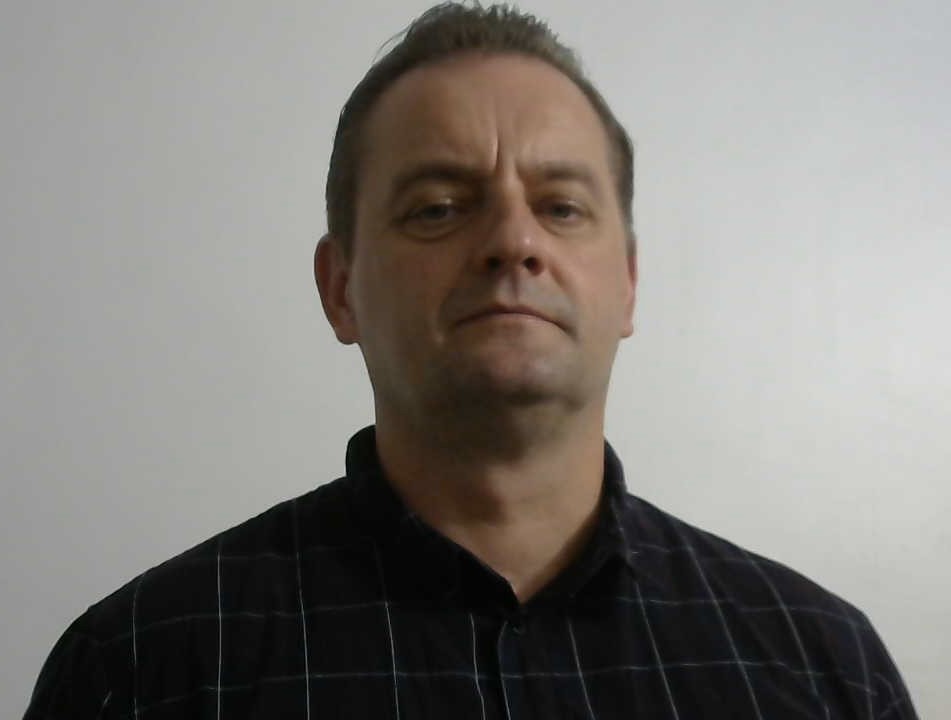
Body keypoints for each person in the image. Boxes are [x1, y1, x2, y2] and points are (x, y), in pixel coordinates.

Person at [24, 3, 917, 719]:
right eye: (438, 207)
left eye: (561, 207)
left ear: (628, 284)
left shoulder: (824, 668)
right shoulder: (140, 670)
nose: (513, 241)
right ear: (340, 289)